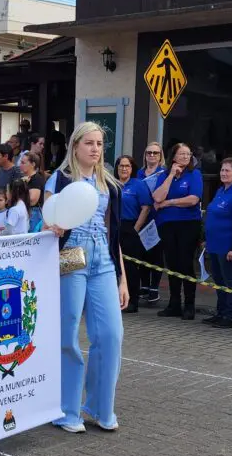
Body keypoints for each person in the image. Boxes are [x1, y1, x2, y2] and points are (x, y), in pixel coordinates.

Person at [42, 123, 127, 433]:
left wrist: (123, 279)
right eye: (89, 142)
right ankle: (66, 409)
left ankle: (101, 407)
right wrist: (54, 227)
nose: (95, 148)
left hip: (103, 258)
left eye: (100, 143)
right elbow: (45, 223)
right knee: (68, 332)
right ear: (75, 146)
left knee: (111, 334)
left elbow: (113, 234)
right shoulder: (60, 178)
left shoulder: (110, 185)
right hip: (69, 255)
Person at [151, 142, 202, 320]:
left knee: (185, 263)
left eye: (188, 154)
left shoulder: (194, 174)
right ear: (173, 157)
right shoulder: (164, 175)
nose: (186, 157)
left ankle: (189, 305)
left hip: (188, 224)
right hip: (167, 224)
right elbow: (157, 197)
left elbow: (193, 199)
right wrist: (171, 175)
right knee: (172, 263)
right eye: (182, 154)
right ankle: (174, 303)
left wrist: (169, 203)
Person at [202, 158, 232, 329]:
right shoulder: (221, 191)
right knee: (219, 280)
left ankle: (231, 316)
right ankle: (221, 312)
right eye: (222, 170)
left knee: (230, 281)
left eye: (228, 171)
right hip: (215, 245)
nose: (224, 173)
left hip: (227, 246)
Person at [114, 155, 153, 313]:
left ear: (132, 169)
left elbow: (146, 207)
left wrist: (135, 228)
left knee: (130, 267)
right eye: (121, 166)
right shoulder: (112, 184)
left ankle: (132, 301)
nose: (124, 169)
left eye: (127, 166)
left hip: (130, 227)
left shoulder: (138, 185)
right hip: (114, 227)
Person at [138, 141, 166, 303]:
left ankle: (154, 287)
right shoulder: (139, 173)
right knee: (142, 253)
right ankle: (144, 286)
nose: (152, 156)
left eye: (155, 153)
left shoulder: (164, 173)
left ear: (160, 156)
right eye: (149, 153)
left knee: (156, 254)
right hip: (142, 217)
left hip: (158, 218)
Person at [19, 152, 46, 230]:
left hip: (32, 214)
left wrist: (17, 197)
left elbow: (32, 200)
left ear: (33, 164)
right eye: (20, 162)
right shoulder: (24, 178)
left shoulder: (36, 179)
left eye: (23, 163)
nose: (20, 165)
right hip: (26, 212)